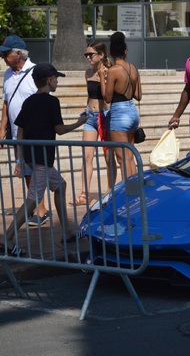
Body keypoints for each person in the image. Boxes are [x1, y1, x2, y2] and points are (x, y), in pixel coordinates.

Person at [1, 63, 88, 257]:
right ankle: (7, 237)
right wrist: (80, 122)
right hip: (43, 159)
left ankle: (67, 231)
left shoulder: (29, 101)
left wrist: (20, 159)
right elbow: (60, 129)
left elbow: (20, 132)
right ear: (49, 80)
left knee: (61, 185)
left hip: (33, 157)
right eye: (56, 78)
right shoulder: (51, 102)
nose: (57, 81)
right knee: (33, 200)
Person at [0, 35, 51, 227]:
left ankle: (42, 209)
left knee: (37, 171)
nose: (3, 57)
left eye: (5, 54)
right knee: (28, 172)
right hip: (17, 133)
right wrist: (2, 129)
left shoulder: (36, 72)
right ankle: (38, 208)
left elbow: (45, 100)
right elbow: (7, 103)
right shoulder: (7, 74)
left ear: (18, 54)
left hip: (34, 132)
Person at [70, 41, 112, 206]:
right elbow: (90, 96)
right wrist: (86, 112)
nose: (88, 57)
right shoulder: (87, 73)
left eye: (91, 54)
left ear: (101, 55)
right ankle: (84, 194)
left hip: (104, 116)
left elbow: (107, 97)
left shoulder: (108, 72)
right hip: (91, 116)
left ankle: (111, 191)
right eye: (86, 54)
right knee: (87, 156)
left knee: (108, 157)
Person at [99, 31, 140, 179]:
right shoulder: (133, 68)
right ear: (125, 51)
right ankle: (136, 191)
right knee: (129, 156)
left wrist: (101, 79)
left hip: (119, 113)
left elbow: (107, 98)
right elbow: (138, 95)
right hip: (132, 111)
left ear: (110, 52)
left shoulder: (113, 70)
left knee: (121, 158)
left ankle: (127, 193)